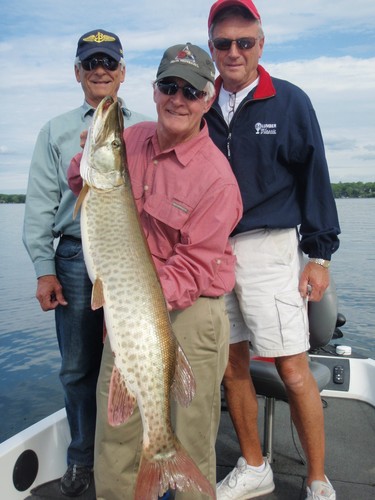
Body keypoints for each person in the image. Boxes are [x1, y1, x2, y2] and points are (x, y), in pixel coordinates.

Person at [68, 42, 243, 500]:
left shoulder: (217, 178)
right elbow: (81, 181)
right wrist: (89, 153)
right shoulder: (132, 139)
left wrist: (133, 300)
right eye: (169, 86)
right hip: (129, 313)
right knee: (116, 439)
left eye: (191, 90)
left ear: (208, 99)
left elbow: (193, 269)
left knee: (189, 435)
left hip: (190, 312)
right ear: (154, 90)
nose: (178, 99)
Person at [205, 1, 341, 500]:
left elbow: (315, 178)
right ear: (212, 47)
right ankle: (254, 464)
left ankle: (318, 478)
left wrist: (320, 255)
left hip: (271, 248)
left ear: (261, 44)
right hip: (212, 255)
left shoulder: (290, 101)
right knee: (231, 364)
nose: (234, 52)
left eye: (245, 42)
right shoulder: (198, 101)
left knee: (292, 368)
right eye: (224, 43)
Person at [22, 29, 149, 497]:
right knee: (78, 367)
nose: (100, 69)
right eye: (90, 62)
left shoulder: (149, 127)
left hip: (134, 258)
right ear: (77, 72)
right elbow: (39, 205)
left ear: (122, 72)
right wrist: (44, 267)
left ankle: (133, 457)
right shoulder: (53, 131)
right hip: (75, 255)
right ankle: (82, 457)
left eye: (109, 62)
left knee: (134, 361)